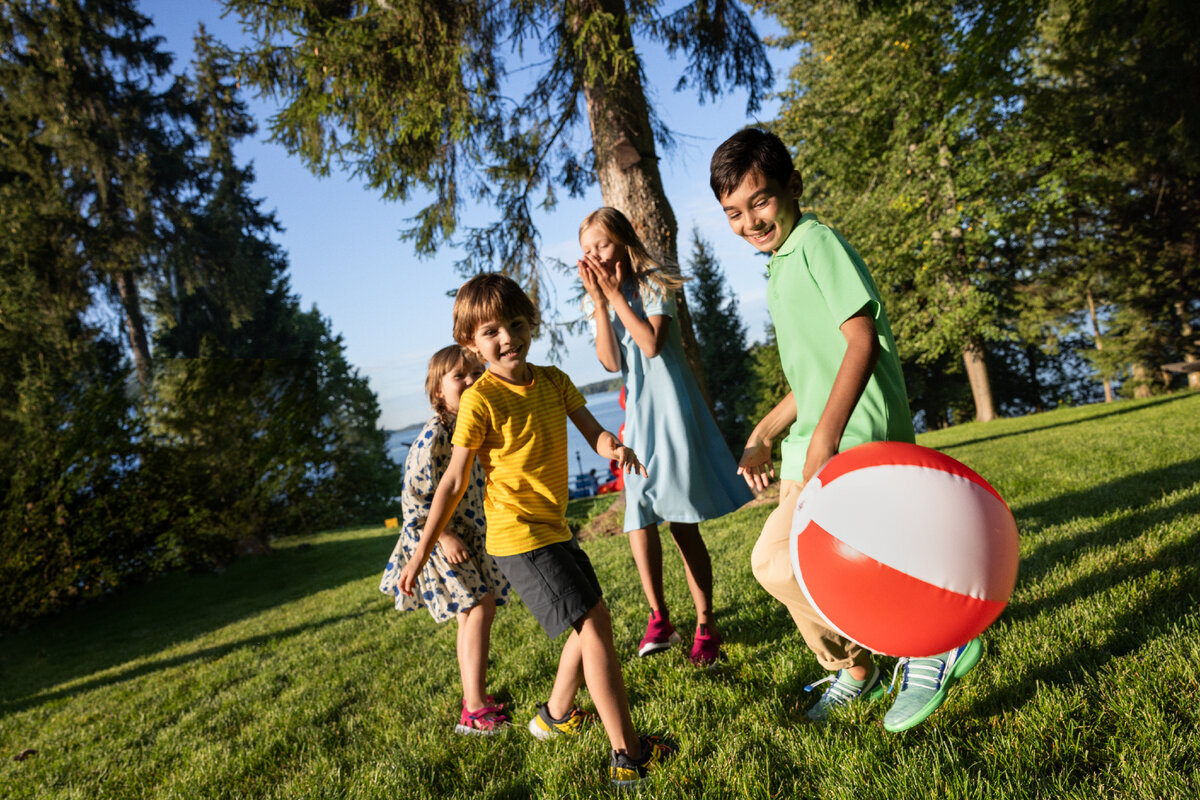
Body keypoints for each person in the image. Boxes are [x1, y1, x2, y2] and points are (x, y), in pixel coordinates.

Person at [708, 128, 982, 733]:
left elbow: (860, 340)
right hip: (813, 444)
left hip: (856, 440)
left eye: (760, 201)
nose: (750, 221)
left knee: (780, 560)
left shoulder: (816, 242)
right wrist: (767, 428)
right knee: (785, 565)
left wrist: (827, 437)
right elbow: (816, 370)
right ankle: (859, 667)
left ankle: (927, 642)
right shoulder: (780, 264)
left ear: (792, 189)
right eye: (733, 212)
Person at [397, 273, 675, 788]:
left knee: (594, 621)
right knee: (594, 630)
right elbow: (454, 479)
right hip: (519, 540)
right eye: (491, 332)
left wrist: (611, 446)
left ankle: (555, 716)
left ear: (532, 325)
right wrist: (420, 551)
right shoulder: (480, 401)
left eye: (517, 324)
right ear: (470, 345)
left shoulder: (552, 380)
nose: (508, 339)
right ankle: (628, 757)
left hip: (554, 529)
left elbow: (591, 431)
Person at [577, 207, 755, 665]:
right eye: (587, 250)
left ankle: (705, 623)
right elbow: (612, 362)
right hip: (636, 416)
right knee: (638, 514)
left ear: (623, 241)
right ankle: (660, 619)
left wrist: (616, 296)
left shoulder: (654, 282)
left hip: (673, 412)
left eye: (602, 245)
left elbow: (651, 345)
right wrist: (600, 304)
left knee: (681, 518)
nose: (595, 255)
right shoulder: (604, 296)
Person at [379, 345, 512, 735]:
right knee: (480, 605)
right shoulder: (433, 436)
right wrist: (445, 537)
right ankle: (473, 710)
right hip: (438, 540)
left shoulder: (469, 426)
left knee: (470, 612)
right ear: (438, 391)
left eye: (474, 372)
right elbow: (414, 502)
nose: (470, 380)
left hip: (469, 535)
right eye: (459, 376)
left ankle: (477, 700)